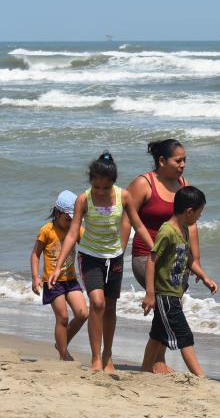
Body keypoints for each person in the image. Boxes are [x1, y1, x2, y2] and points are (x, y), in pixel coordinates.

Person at [50, 152, 154, 372]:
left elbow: (139, 225)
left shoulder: (124, 197)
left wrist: (154, 247)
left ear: (112, 184)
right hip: (90, 256)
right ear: (91, 183)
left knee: (110, 307)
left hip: (114, 257)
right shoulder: (83, 199)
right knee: (97, 303)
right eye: (96, 187)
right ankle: (96, 357)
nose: (100, 191)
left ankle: (108, 355)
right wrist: (58, 266)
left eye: (105, 188)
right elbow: (72, 234)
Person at [120, 138, 203, 374]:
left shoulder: (183, 184)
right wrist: (118, 252)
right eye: (178, 160)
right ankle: (158, 362)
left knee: (165, 306)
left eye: (185, 160)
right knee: (166, 303)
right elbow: (127, 218)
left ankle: (153, 362)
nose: (183, 165)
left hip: (176, 259)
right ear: (162, 160)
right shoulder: (143, 183)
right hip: (147, 257)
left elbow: (191, 225)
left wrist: (195, 261)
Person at [141, 186, 218, 376]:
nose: (199, 217)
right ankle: (200, 376)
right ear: (189, 211)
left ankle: (144, 370)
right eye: (199, 213)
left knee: (158, 335)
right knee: (184, 335)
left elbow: (190, 259)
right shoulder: (167, 231)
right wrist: (150, 294)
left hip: (174, 293)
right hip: (165, 295)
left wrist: (204, 277)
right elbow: (151, 261)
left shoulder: (184, 230)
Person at [30, 190, 88, 361]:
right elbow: (35, 254)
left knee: (83, 314)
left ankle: (61, 342)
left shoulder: (77, 230)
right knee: (62, 317)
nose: (71, 223)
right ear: (57, 212)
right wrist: (35, 277)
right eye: (67, 219)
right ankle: (64, 354)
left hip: (71, 280)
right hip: (52, 282)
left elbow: (88, 249)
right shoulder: (47, 231)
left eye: (73, 219)